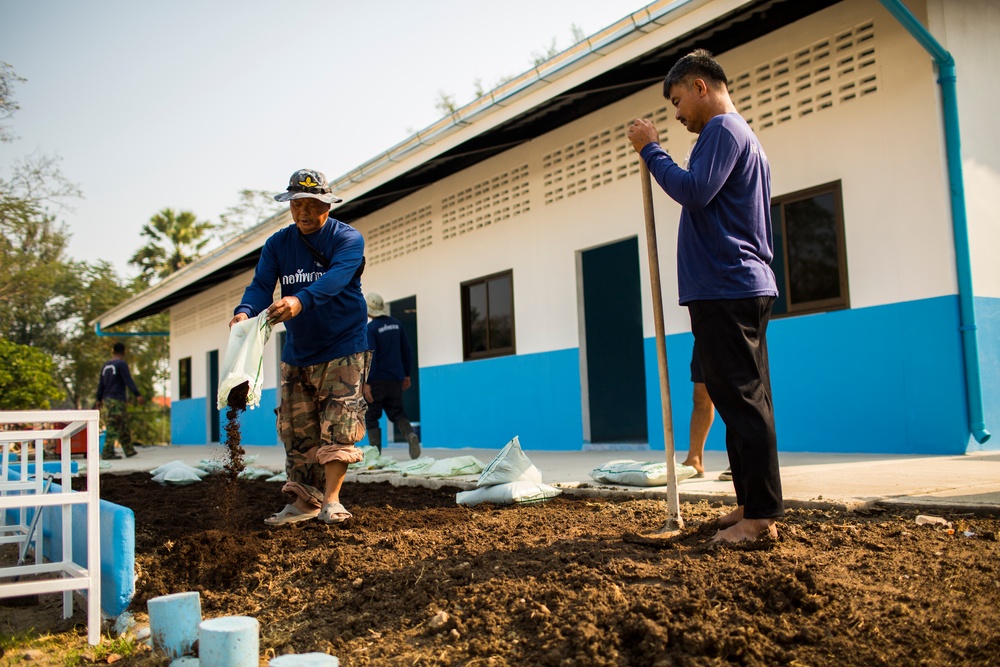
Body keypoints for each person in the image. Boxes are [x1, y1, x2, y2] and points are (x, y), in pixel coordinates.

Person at [628, 49, 782, 543]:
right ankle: (748, 504)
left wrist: (652, 150)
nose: (676, 114)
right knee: (736, 400)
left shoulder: (723, 130)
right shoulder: (740, 137)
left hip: (727, 286)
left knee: (742, 401)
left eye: (677, 100)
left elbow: (694, 191)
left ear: (700, 87)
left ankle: (759, 519)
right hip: (730, 286)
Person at [230, 168, 370, 527]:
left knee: (338, 422)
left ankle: (332, 501)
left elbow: (336, 279)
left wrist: (299, 301)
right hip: (298, 350)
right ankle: (304, 501)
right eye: (297, 205)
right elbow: (261, 285)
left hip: (344, 345)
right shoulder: (278, 244)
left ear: (327, 205)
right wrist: (245, 311)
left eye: (312, 205)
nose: (303, 213)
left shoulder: (348, 239)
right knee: (297, 428)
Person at [363, 292, 421, 459]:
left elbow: (370, 356)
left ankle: (375, 454)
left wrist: (366, 382)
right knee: (397, 412)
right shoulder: (397, 324)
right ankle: (410, 435)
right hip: (396, 378)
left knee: (372, 416)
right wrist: (406, 374)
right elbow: (406, 351)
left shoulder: (370, 329)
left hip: (376, 381)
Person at [682, 343, 732, 482]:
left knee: (736, 393)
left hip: (734, 328)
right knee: (701, 394)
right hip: (705, 331)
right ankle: (694, 460)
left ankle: (743, 462)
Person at [96, 342, 145, 460]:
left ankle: (129, 449)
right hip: (117, 399)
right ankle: (107, 452)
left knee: (122, 424)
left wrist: (98, 399)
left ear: (112, 351)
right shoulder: (121, 364)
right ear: (124, 352)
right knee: (113, 425)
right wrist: (137, 394)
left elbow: (101, 384)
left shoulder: (106, 365)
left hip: (107, 399)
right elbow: (128, 380)